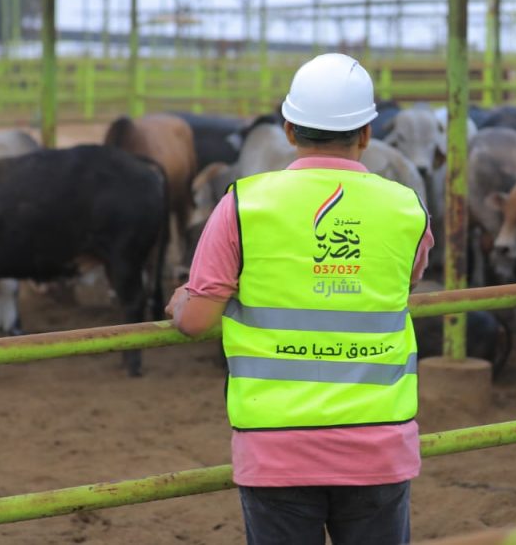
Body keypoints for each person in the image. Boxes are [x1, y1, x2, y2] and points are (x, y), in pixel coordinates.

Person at [166, 52, 434, 545]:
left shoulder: (244, 203)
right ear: (367, 133)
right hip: (378, 445)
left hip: (277, 451)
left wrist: (185, 296)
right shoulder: (406, 207)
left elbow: (197, 320)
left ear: (289, 130)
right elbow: (405, 283)